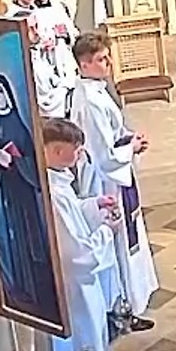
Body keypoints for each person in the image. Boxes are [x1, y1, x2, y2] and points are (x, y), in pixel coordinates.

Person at [42, 117, 128, 351]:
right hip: (75, 286)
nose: (80, 154)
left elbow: (73, 215)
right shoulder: (53, 193)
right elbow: (77, 254)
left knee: (89, 342)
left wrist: (93, 205)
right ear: (56, 151)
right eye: (75, 149)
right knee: (86, 345)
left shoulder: (56, 182)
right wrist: (107, 230)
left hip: (73, 285)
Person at [69, 32, 158, 330]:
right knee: (117, 241)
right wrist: (130, 148)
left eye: (108, 57)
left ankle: (128, 300)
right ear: (83, 64)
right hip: (105, 181)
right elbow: (102, 154)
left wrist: (129, 139)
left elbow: (111, 135)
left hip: (112, 173)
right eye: (100, 59)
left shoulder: (95, 90)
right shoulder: (90, 100)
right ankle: (121, 307)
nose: (108, 64)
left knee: (125, 236)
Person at [0, 74, 54, 311]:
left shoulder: (18, 122)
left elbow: (32, 156)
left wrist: (16, 160)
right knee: (14, 234)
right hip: (8, 187)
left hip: (24, 187)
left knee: (30, 233)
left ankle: (39, 287)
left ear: (8, 93)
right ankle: (22, 286)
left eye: (0, 91)